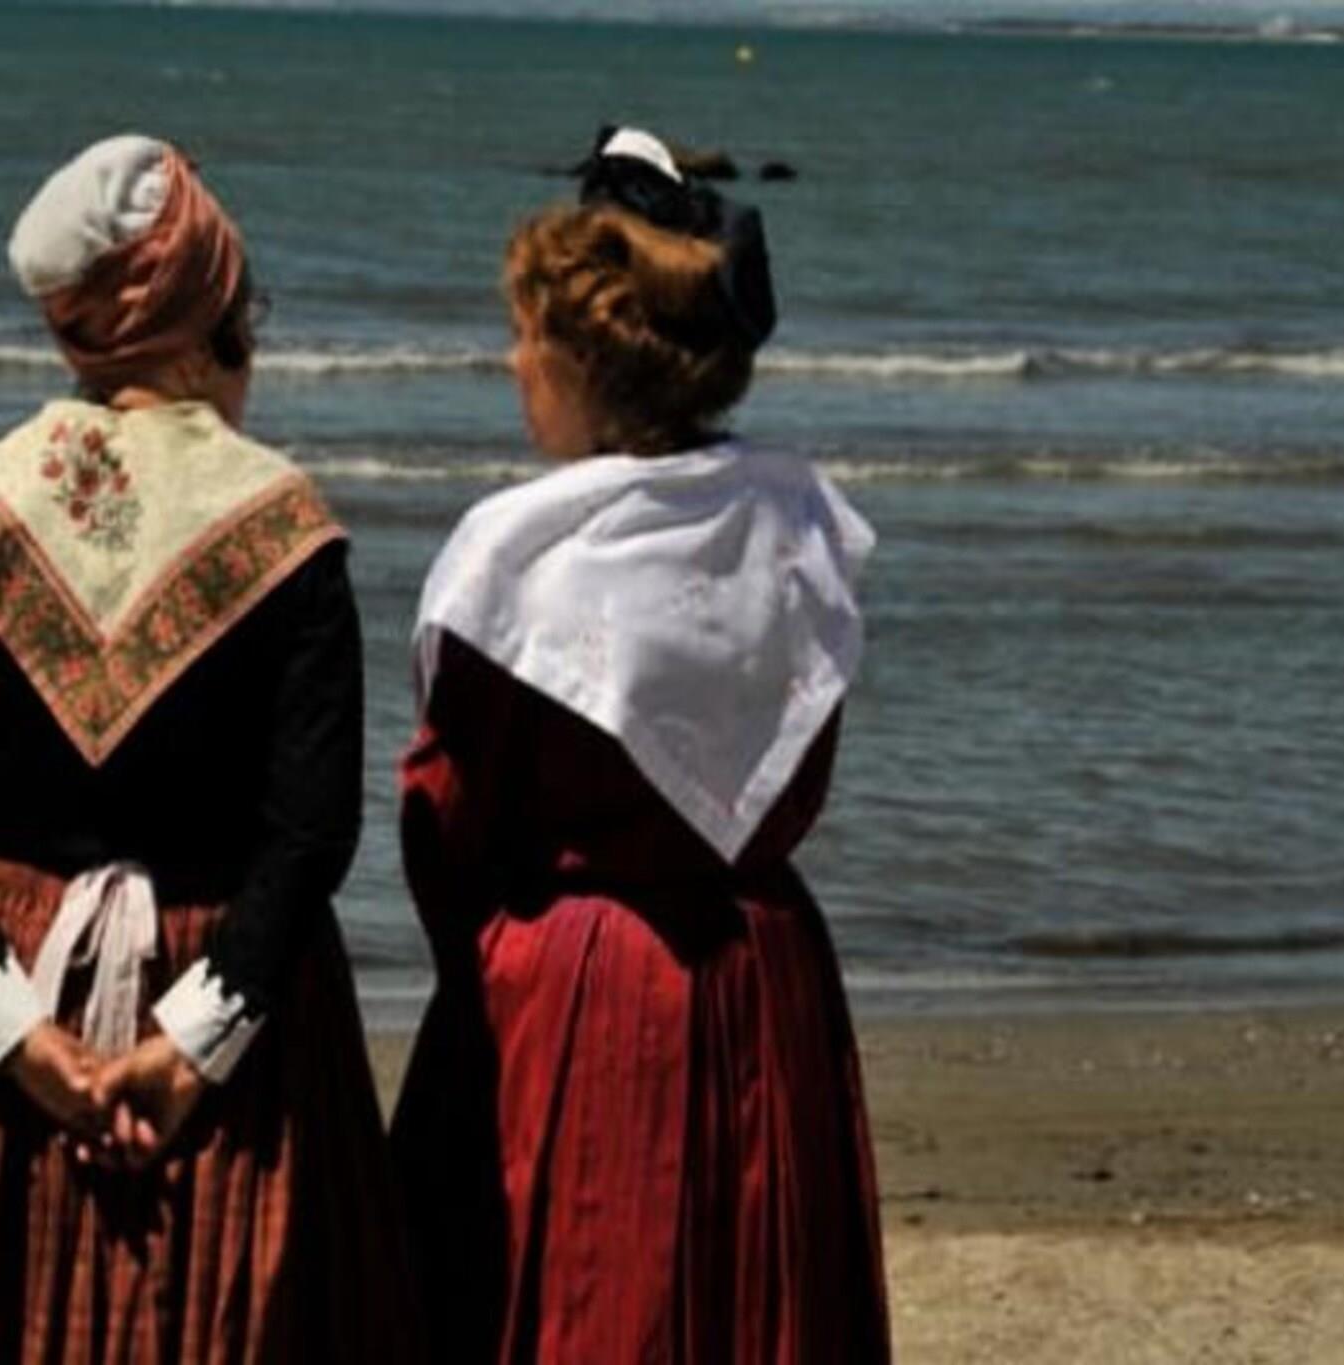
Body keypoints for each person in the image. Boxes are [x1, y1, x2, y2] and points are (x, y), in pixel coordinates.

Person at [0, 134, 415, 1363]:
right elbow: (308, 838)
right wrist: (189, 1051)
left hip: (7, 991)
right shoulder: (287, 529)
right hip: (233, 1014)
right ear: (207, 319)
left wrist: (28, 1050)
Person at [389, 127, 890, 1362]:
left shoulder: (528, 563)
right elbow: (797, 767)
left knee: (585, 1295)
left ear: (586, 363)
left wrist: (494, 968)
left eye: (528, 337)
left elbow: (444, 817)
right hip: (762, 969)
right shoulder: (794, 529)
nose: (511, 362)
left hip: (582, 986)